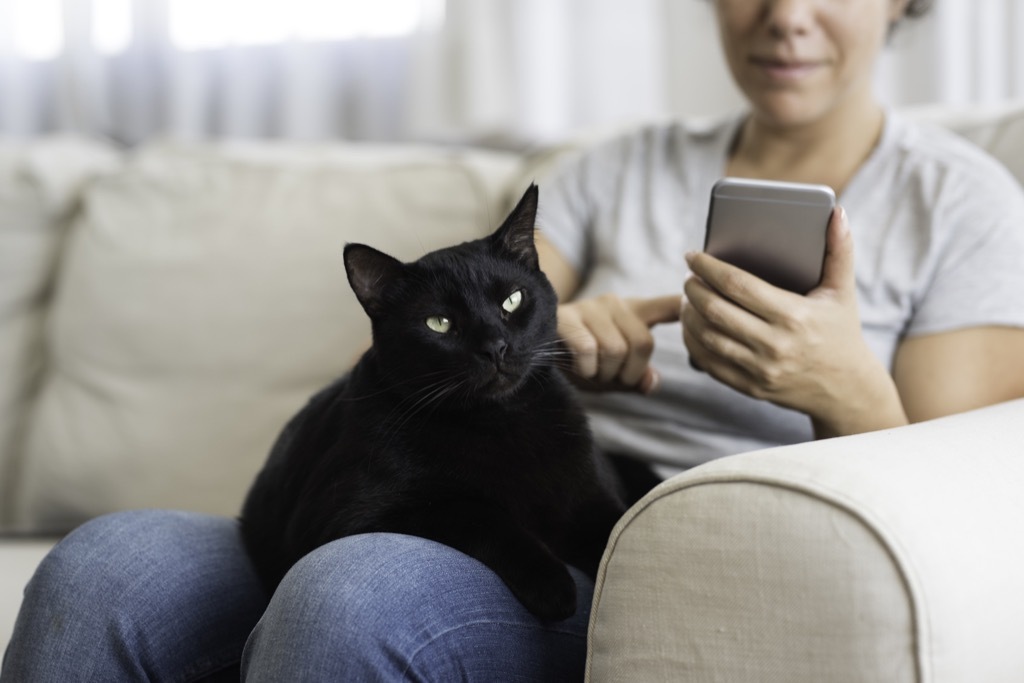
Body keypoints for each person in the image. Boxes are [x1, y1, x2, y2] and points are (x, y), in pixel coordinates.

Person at [4, 1, 1023, 680]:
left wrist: (841, 388)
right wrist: (564, 336)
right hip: (484, 485)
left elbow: (966, 518)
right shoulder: (610, 169)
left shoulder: (961, 201)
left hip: (643, 550)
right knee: (101, 565)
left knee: (349, 593)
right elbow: (459, 331)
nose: (785, 17)